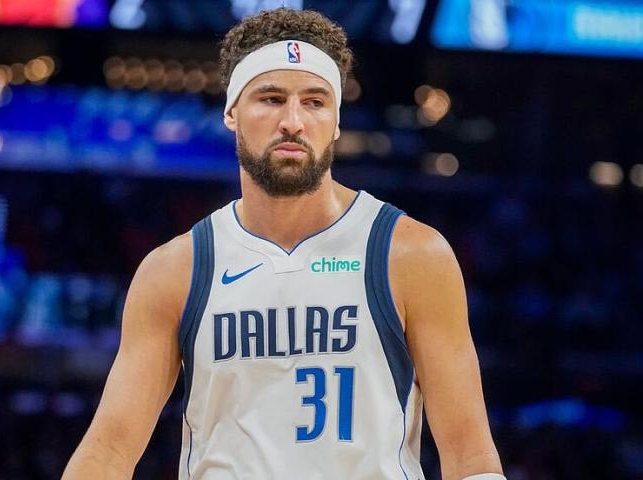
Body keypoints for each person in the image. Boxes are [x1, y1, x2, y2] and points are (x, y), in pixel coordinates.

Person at [63, 8, 504, 480]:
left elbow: (470, 458)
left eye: (315, 102)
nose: (293, 121)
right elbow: (107, 452)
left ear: (336, 121)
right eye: (271, 99)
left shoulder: (412, 255)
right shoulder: (176, 270)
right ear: (231, 112)